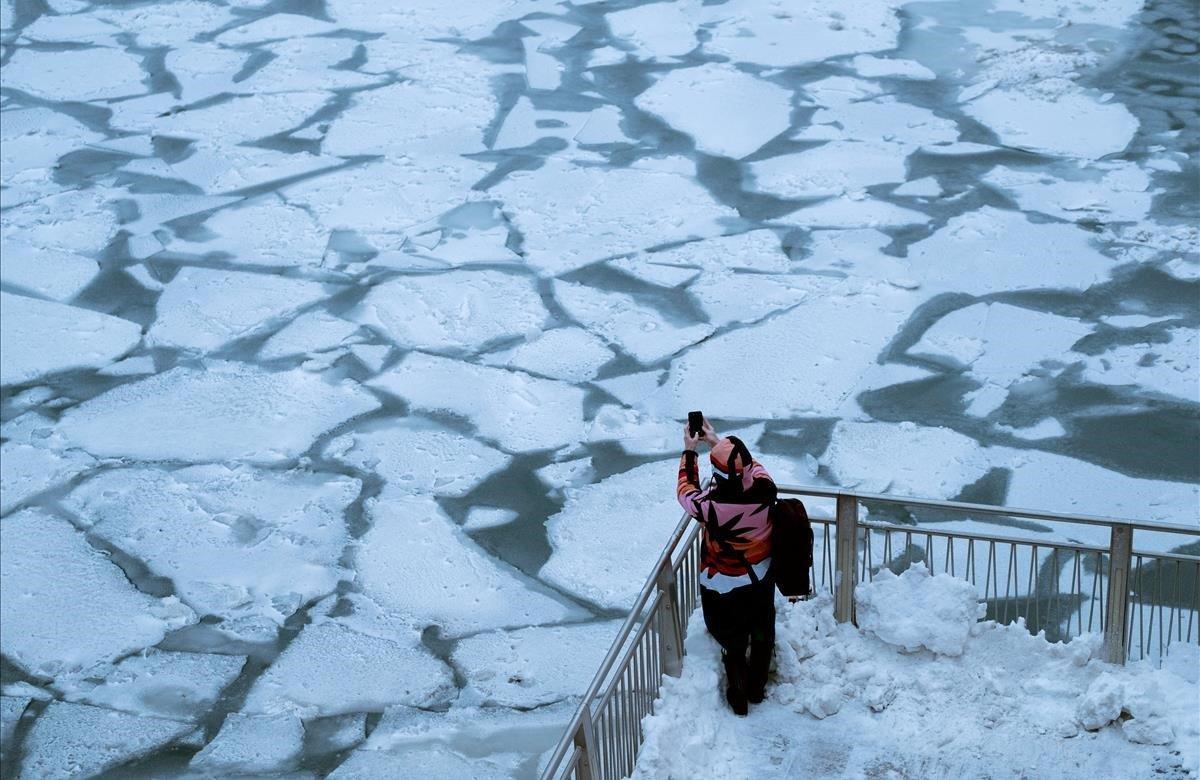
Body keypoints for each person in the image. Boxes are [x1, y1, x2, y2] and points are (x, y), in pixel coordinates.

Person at [677, 418, 777, 716]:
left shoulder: (711, 506)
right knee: (761, 630)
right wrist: (717, 441)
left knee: (733, 637)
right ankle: (757, 687)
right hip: (759, 575)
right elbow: (752, 466)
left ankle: (737, 691)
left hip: (722, 583)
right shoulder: (765, 490)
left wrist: (690, 452)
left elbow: (686, 491)